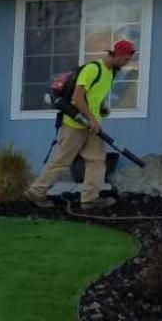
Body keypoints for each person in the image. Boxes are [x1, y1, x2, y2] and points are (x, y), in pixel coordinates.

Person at [26, 39, 137, 211]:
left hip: (92, 126)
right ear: (116, 55)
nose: (125, 63)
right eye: (124, 60)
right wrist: (91, 118)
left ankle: (90, 200)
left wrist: (101, 109)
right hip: (74, 124)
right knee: (62, 161)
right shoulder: (93, 69)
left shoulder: (111, 73)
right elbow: (77, 98)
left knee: (97, 161)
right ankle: (36, 192)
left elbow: (92, 96)